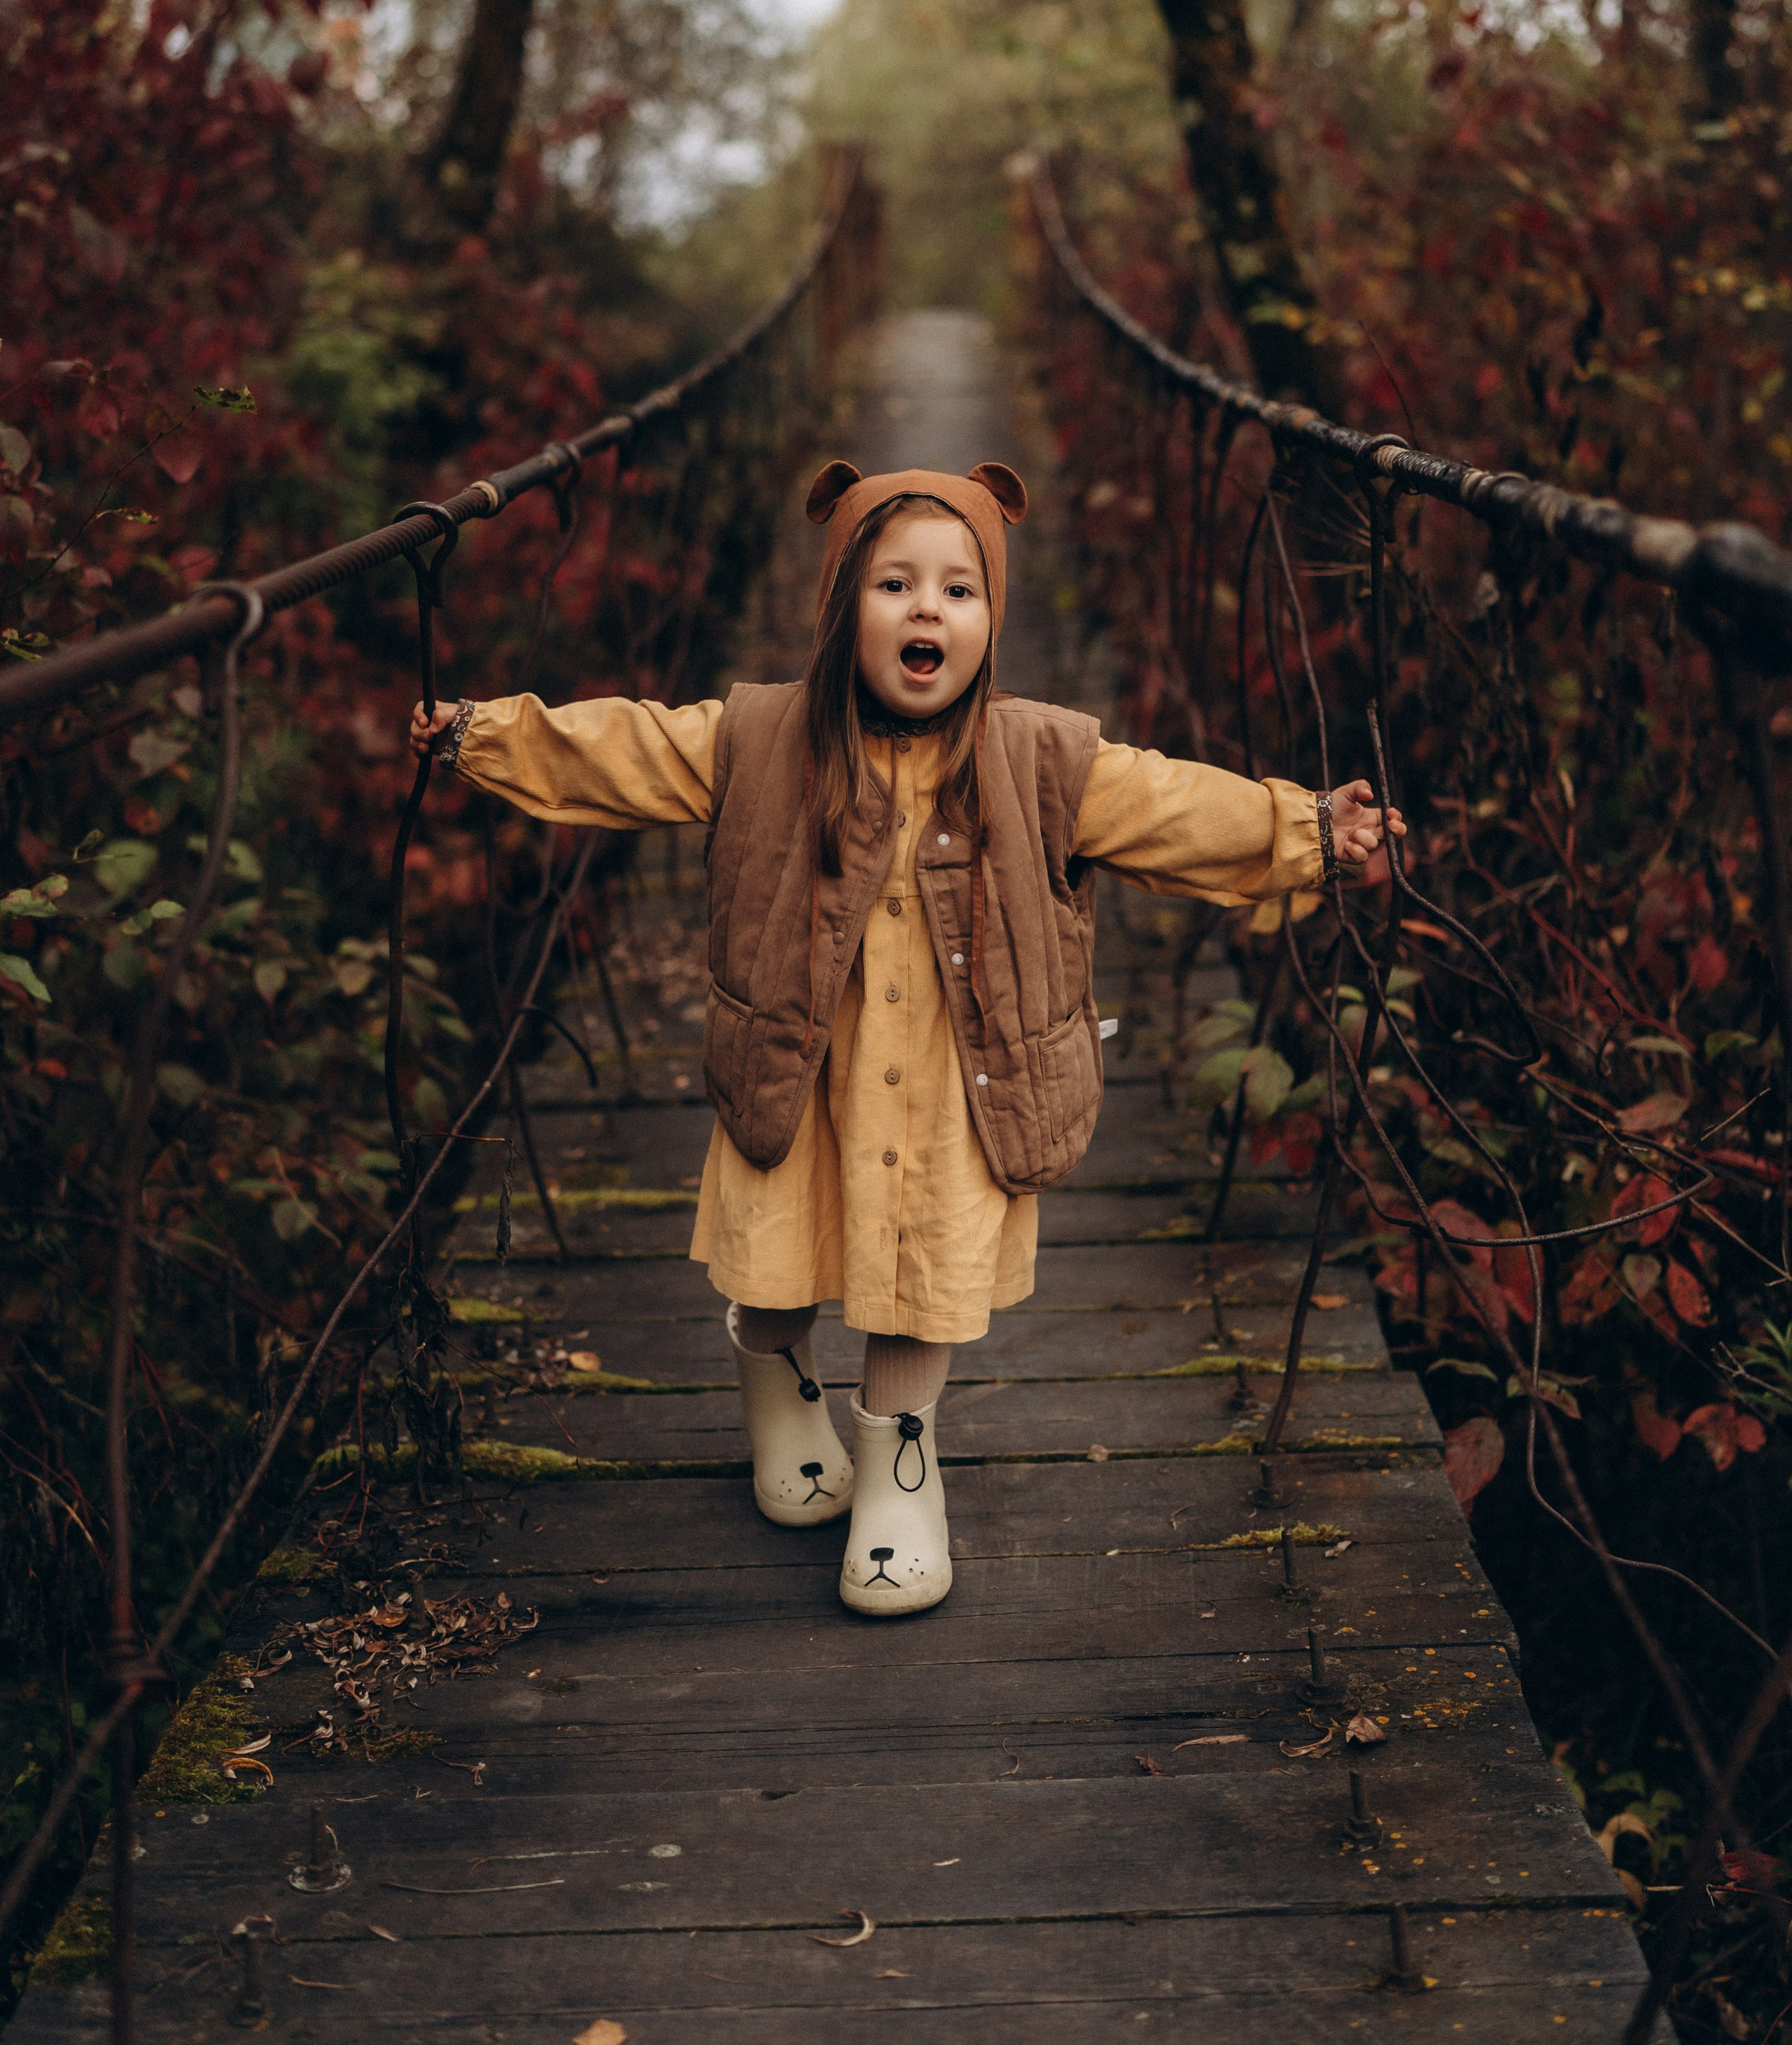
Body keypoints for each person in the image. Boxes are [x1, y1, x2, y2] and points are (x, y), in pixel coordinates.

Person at [410, 459, 1402, 1617]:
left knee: (920, 1276)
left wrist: (1307, 830)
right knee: (779, 1260)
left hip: (952, 1088)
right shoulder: (760, 735)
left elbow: (1178, 806)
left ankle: (899, 1471)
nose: (929, 608)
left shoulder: (1043, 759)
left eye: (960, 589)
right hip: (796, 1068)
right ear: (843, 607)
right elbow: (623, 749)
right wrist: (483, 736)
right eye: (894, 583)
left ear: (992, 621)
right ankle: (780, 1392)